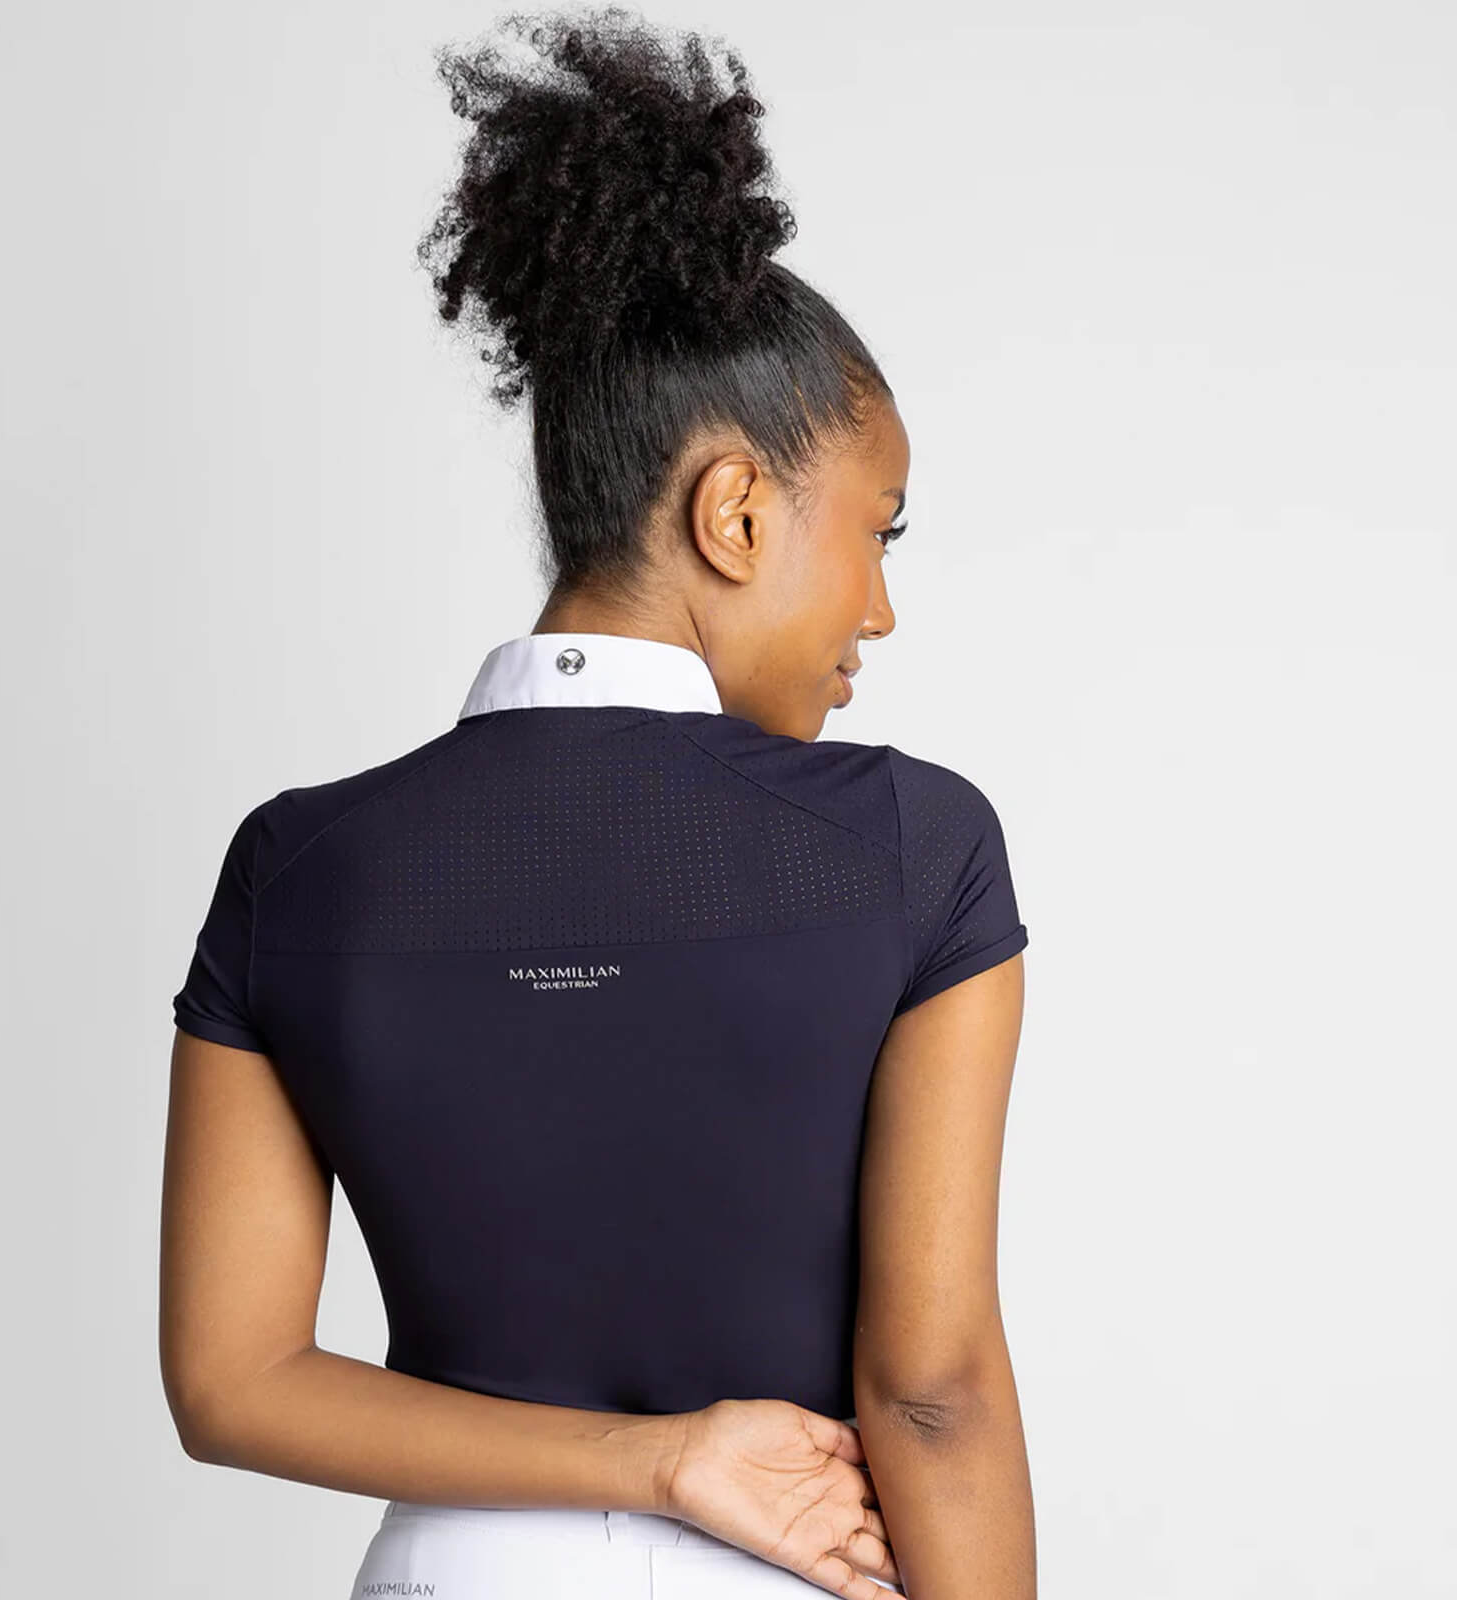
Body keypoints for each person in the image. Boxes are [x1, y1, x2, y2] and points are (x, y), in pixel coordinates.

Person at [159, 10, 1036, 1598]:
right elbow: (931, 1387)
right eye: (879, 532)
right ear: (735, 512)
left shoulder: (298, 867)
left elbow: (231, 1381)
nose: (880, 611)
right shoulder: (914, 850)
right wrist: (693, 1471)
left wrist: (655, 1461)